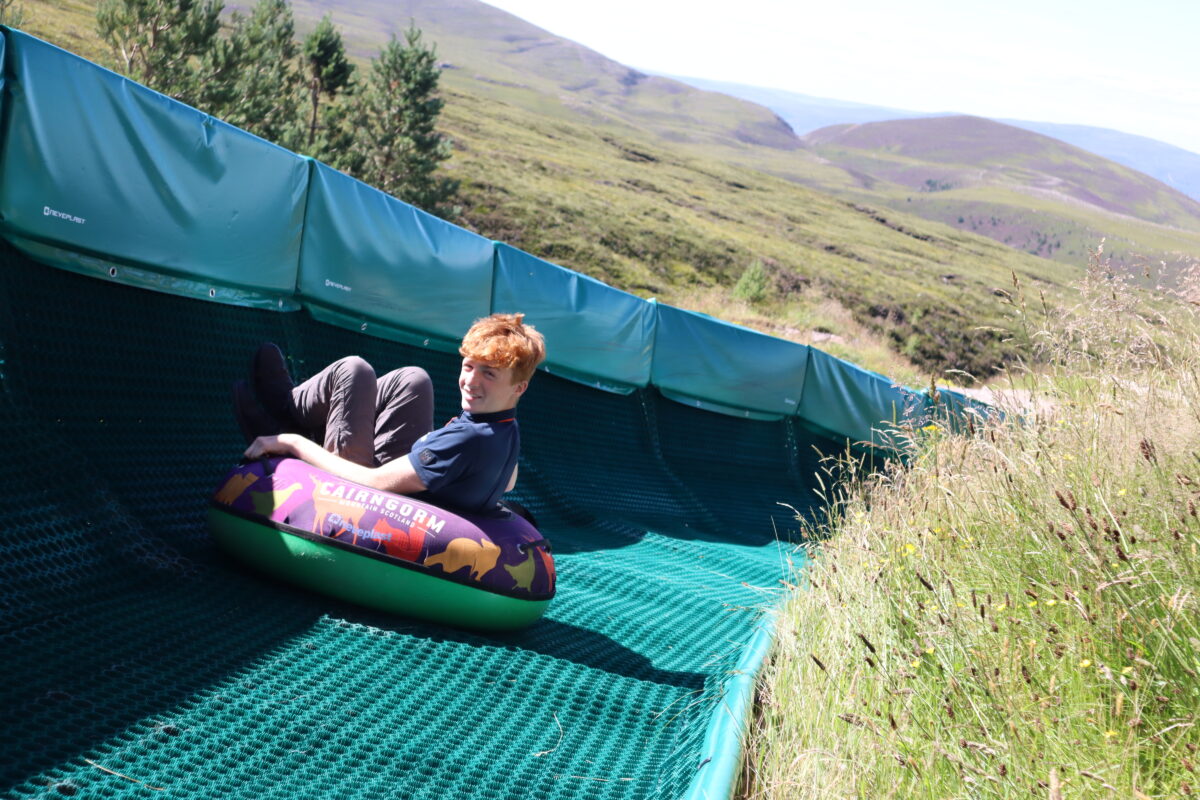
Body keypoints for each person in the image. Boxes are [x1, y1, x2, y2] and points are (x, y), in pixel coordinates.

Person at [234, 313, 545, 514]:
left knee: (353, 371)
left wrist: (293, 444)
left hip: (369, 504)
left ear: (519, 387)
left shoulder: (468, 440)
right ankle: (294, 411)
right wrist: (440, 456)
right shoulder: (504, 429)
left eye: (489, 374)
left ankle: (288, 417)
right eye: (468, 366)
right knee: (413, 379)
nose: (471, 381)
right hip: (416, 490)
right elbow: (506, 482)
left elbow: (373, 482)